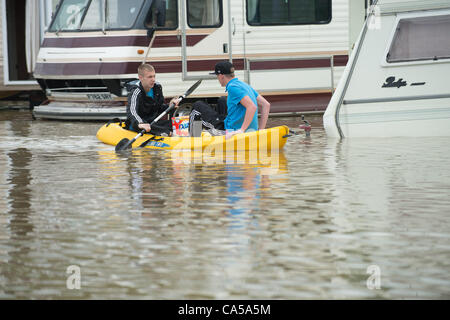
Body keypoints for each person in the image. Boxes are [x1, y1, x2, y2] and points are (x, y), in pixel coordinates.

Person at [189, 61, 270, 138]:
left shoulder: (232, 87)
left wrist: (241, 130)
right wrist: (261, 130)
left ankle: (193, 139)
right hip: (251, 130)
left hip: (230, 131)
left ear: (221, 76)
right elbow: (266, 105)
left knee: (197, 106)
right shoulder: (244, 85)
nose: (218, 79)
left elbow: (252, 107)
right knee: (222, 100)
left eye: (217, 76)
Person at [125, 64, 179, 135]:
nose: (153, 79)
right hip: (139, 124)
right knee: (162, 130)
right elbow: (132, 111)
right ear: (141, 78)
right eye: (150, 77)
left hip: (154, 123)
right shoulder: (135, 91)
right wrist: (140, 123)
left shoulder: (157, 87)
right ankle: (167, 133)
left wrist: (170, 106)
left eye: (154, 76)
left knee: (174, 124)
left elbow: (159, 108)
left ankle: (167, 133)